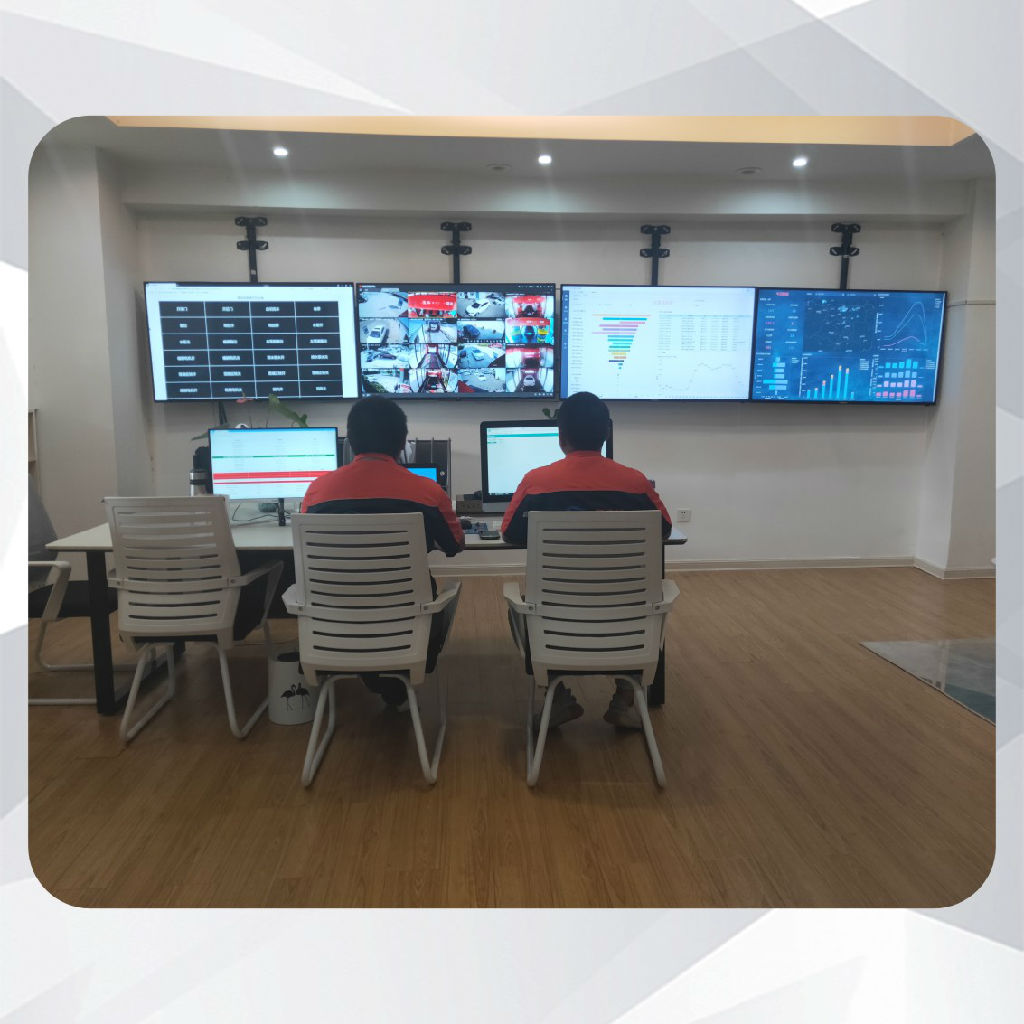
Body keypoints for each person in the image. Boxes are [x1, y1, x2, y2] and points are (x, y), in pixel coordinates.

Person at [500, 391, 672, 730]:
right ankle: (625, 697)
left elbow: (510, 533)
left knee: (517, 608)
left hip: (556, 624)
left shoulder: (536, 483)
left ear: (561, 437)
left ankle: (557, 697)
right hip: (627, 625)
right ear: (605, 434)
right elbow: (663, 530)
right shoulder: (635, 483)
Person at [300, 396, 464, 708]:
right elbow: (455, 545)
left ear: (350, 442)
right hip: (409, 630)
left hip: (334, 630)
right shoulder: (428, 491)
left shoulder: (317, 491)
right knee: (448, 592)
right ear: (403, 443)